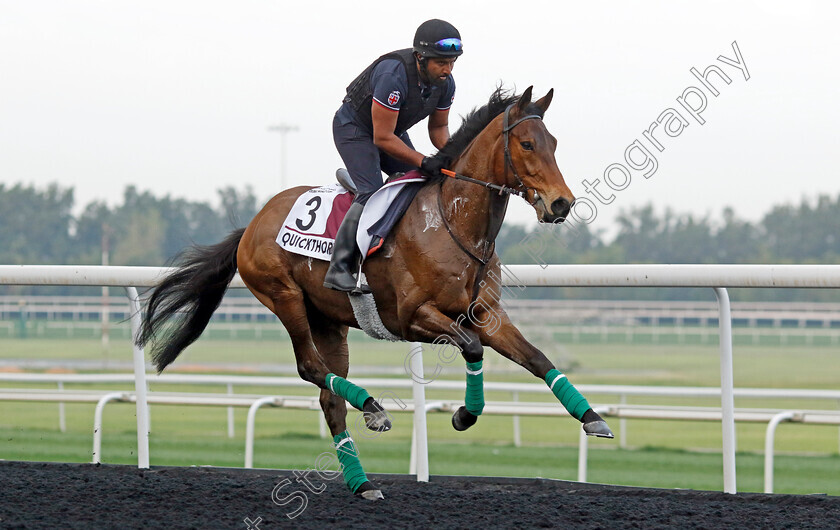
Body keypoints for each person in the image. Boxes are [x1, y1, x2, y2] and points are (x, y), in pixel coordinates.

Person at [323, 18, 463, 293]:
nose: (448, 70)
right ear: (421, 58)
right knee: (373, 191)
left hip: (389, 131)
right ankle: (340, 267)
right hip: (355, 129)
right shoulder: (393, 74)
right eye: (441, 63)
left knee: (422, 180)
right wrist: (423, 159)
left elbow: (438, 128)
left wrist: (451, 156)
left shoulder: (446, 83)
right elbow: (382, 138)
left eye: (452, 62)